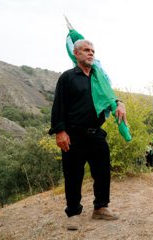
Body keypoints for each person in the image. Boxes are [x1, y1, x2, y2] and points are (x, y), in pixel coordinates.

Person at [49, 39, 127, 230]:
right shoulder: (67, 77)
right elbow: (58, 106)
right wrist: (60, 131)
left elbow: (108, 96)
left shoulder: (98, 78)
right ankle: (73, 213)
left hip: (97, 135)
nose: (90, 53)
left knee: (102, 173)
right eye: (86, 50)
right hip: (73, 135)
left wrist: (119, 102)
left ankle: (100, 208)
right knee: (73, 175)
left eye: (92, 51)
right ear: (76, 54)